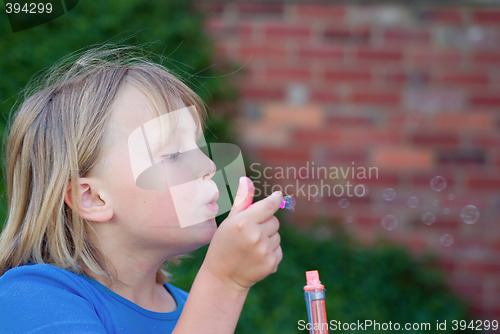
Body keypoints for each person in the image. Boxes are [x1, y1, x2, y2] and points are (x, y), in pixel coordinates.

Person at [0, 45, 283, 333]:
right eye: (173, 154)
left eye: (198, 146)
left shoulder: (194, 310)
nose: (208, 165)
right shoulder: (32, 299)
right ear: (92, 198)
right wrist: (224, 282)